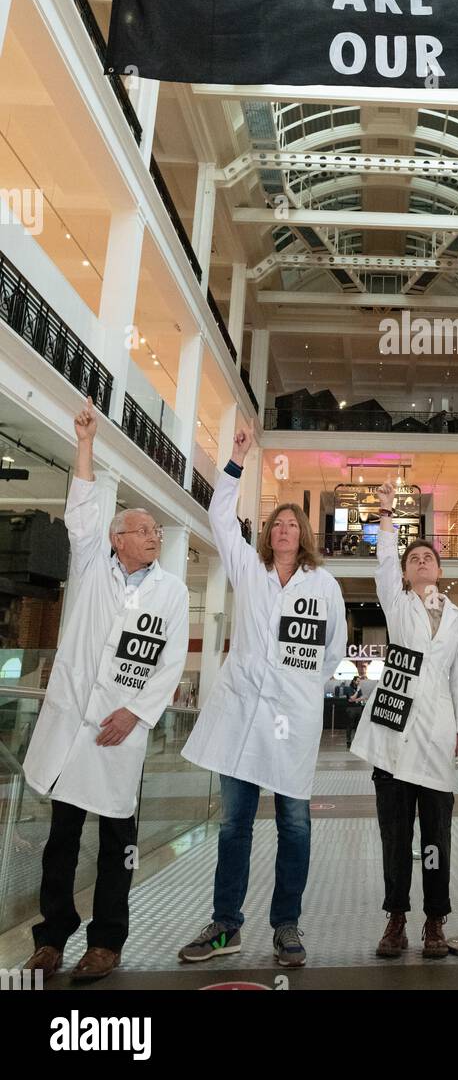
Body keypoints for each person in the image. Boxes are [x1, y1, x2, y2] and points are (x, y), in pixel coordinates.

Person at [22, 397, 189, 982]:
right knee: (62, 837)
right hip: (75, 724)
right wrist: (85, 444)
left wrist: (136, 714)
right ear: (119, 539)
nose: (153, 536)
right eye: (143, 529)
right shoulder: (93, 563)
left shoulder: (170, 592)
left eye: (155, 531)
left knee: (120, 840)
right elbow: (85, 509)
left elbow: (168, 664)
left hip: (121, 733)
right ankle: (51, 937)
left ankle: (107, 943)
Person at [178, 423, 347, 968]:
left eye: (294, 525)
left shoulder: (323, 586)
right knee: (234, 824)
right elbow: (219, 517)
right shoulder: (247, 572)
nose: (285, 530)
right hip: (240, 716)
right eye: (278, 523)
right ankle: (226, 924)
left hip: (291, 721)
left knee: (295, 823)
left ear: (304, 537)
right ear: (269, 534)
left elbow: (333, 649)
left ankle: (287, 924)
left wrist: (298, 688)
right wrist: (235, 458)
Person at [350, 482, 458, 960]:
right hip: (394, 731)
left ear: (440, 570)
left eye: (428, 558)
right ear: (404, 572)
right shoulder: (398, 605)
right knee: (395, 835)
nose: (421, 562)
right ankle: (396, 918)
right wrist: (384, 513)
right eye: (413, 558)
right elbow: (381, 563)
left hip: (439, 734)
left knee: (437, 837)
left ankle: (436, 921)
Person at [345, 674, 366, 748]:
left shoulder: (359, 688)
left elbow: (362, 697)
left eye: (359, 681)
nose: (358, 683)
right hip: (351, 709)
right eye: (357, 681)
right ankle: (348, 741)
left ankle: (357, 741)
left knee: (358, 726)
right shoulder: (349, 688)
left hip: (358, 708)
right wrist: (356, 693)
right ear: (354, 681)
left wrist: (355, 700)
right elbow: (351, 698)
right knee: (350, 725)